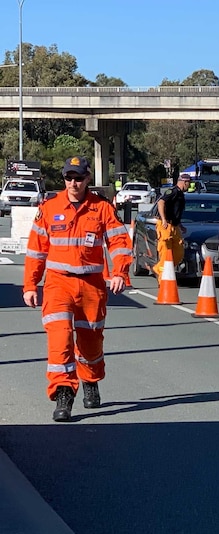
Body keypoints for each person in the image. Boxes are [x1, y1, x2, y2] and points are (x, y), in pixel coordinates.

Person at [22, 156, 133, 422]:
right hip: (58, 284)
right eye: (68, 178)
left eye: (79, 178)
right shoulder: (49, 208)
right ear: (63, 179)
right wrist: (30, 285)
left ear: (87, 180)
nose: (73, 183)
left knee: (90, 342)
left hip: (92, 286)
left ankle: (91, 380)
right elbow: (36, 251)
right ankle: (63, 393)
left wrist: (119, 272)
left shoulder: (102, 208)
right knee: (59, 341)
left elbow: (119, 242)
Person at [153, 172, 188, 279]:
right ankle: (162, 278)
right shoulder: (172, 191)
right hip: (165, 225)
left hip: (175, 225)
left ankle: (159, 268)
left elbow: (175, 211)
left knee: (178, 253)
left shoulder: (180, 194)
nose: (189, 186)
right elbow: (161, 202)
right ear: (184, 182)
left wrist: (180, 225)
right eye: (189, 184)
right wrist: (163, 219)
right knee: (165, 252)